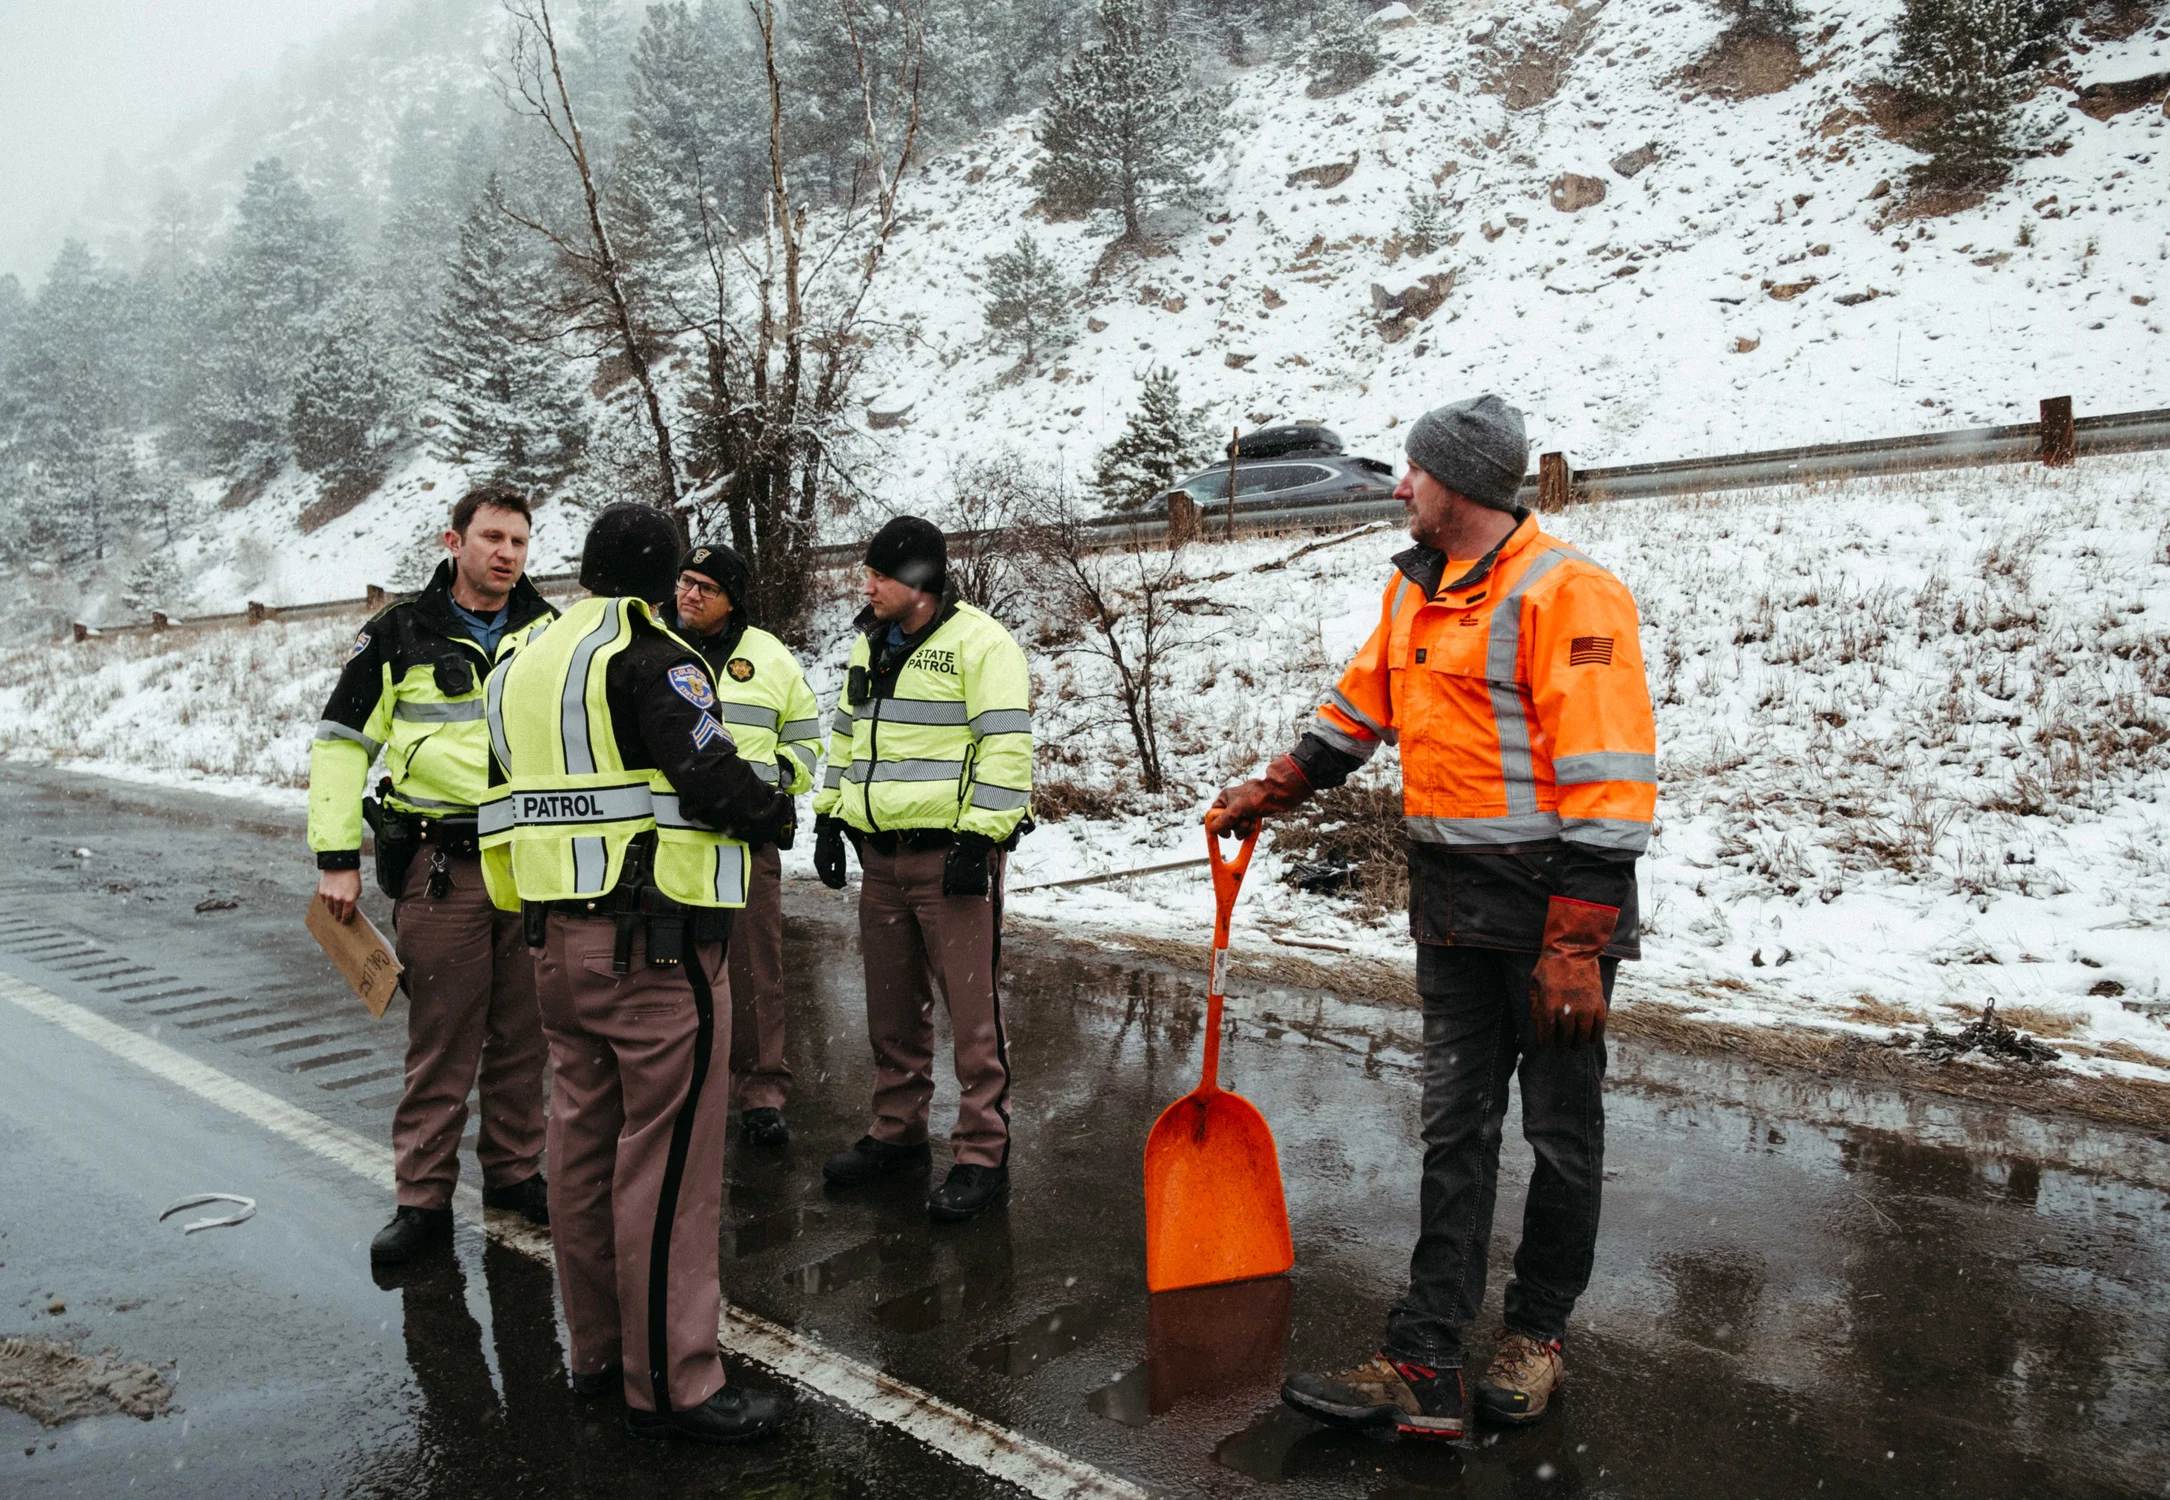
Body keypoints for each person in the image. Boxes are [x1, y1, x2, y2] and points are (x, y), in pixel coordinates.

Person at [1210, 394, 1656, 1438]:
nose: (1399, 487)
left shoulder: (1571, 593)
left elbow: (1609, 773)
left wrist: (1580, 944)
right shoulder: (1416, 589)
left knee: (1560, 1133)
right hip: (1451, 906)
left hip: (1553, 913)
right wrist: (1270, 788)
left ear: (1455, 484)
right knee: (1454, 1129)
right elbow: (1358, 708)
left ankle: (1535, 1336)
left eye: (1412, 472)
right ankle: (1421, 1357)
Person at [480, 502, 794, 1445]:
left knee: (581, 1156)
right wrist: (771, 811)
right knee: (667, 1173)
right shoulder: (654, 657)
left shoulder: (523, 660)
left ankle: (599, 1356)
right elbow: (706, 774)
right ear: (664, 579)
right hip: (656, 952)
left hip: (554, 946)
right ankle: (676, 1385)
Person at [309, 483, 559, 1266]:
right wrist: (337, 860)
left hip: (532, 863)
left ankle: (516, 1172)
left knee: (525, 1035)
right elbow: (343, 743)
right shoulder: (398, 633)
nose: (506, 555)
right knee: (443, 1040)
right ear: (454, 542)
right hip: (442, 866)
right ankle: (422, 1201)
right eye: (491, 538)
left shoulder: (550, 633)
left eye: (519, 542)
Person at [810, 515, 1033, 1223]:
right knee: (892, 1008)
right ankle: (897, 1133)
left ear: (917, 580)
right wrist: (827, 810)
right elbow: (845, 734)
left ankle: (981, 1152)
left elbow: (1005, 750)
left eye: (878, 573)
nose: (865, 584)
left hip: (951, 857)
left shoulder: (981, 644)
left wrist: (980, 838)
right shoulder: (868, 642)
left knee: (974, 1017)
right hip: (881, 857)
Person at [665, 543, 822, 1149]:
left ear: (734, 600)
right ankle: (681, 1086)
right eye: (684, 582)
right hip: (668, 836)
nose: (690, 595)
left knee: (756, 969)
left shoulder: (769, 657)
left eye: (705, 586)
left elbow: (805, 738)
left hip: (746, 837)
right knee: (668, 965)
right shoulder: (655, 648)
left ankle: (760, 1094)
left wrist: (772, 785)